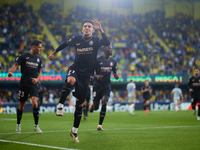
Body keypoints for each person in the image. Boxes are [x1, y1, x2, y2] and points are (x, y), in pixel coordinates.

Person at [48, 18, 110, 142]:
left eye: (89, 26)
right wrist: (54, 52)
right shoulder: (76, 39)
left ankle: (74, 131)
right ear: (82, 29)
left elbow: (107, 42)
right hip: (75, 69)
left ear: (92, 29)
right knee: (70, 80)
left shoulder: (96, 40)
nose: (87, 28)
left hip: (86, 76)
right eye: (85, 26)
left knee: (80, 105)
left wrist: (101, 29)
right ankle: (60, 106)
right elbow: (65, 44)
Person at [8, 39, 43, 133]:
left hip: (34, 84)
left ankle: (36, 126)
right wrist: (11, 71)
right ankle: (18, 125)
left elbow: (40, 71)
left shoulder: (39, 59)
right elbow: (16, 65)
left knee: (35, 103)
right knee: (21, 105)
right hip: (24, 84)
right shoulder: (23, 56)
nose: (40, 49)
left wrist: (37, 79)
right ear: (34, 47)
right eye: (39, 47)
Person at [89, 45, 119, 131]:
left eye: (111, 49)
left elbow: (114, 71)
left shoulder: (113, 61)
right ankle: (92, 107)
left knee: (105, 102)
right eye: (109, 49)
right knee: (96, 107)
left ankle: (100, 125)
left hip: (106, 84)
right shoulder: (98, 60)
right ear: (105, 50)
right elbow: (91, 71)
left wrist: (116, 75)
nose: (111, 50)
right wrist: (97, 76)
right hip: (97, 85)